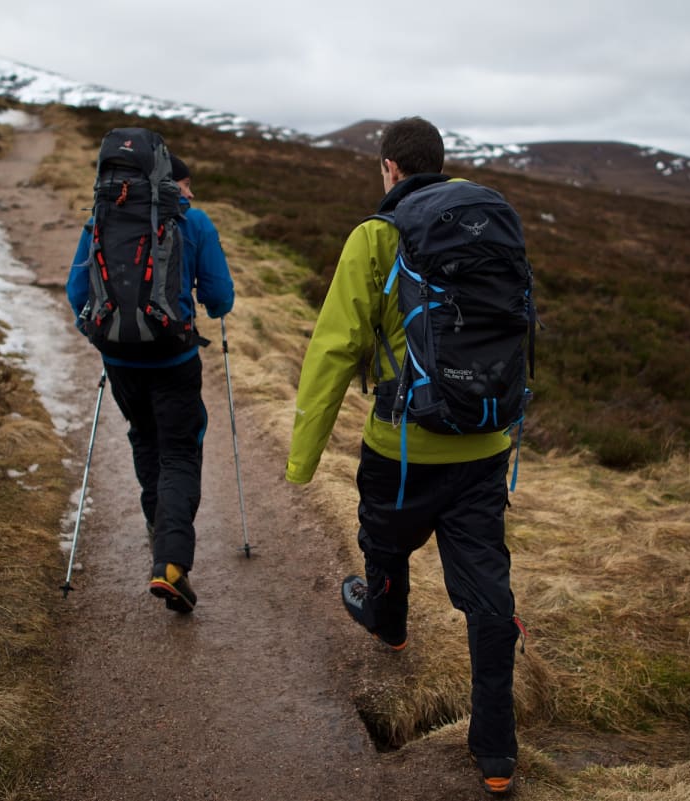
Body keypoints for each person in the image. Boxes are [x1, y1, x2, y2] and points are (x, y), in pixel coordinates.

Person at [285, 117, 521, 795]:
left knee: (383, 540)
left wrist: (302, 460)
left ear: (389, 168)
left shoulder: (376, 236)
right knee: (486, 589)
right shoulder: (490, 223)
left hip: (403, 443)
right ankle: (497, 751)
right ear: (438, 166)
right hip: (484, 443)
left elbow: (332, 349)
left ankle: (388, 623)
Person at [67, 152, 234, 614]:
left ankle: (155, 521)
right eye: (185, 182)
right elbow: (220, 296)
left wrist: (104, 338)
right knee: (180, 451)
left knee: (144, 435)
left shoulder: (99, 219)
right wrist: (215, 311)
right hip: (174, 357)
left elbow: (76, 294)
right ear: (166, 182)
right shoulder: (193, 222)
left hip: (120, 359)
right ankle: (172, 564)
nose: (191, 192)